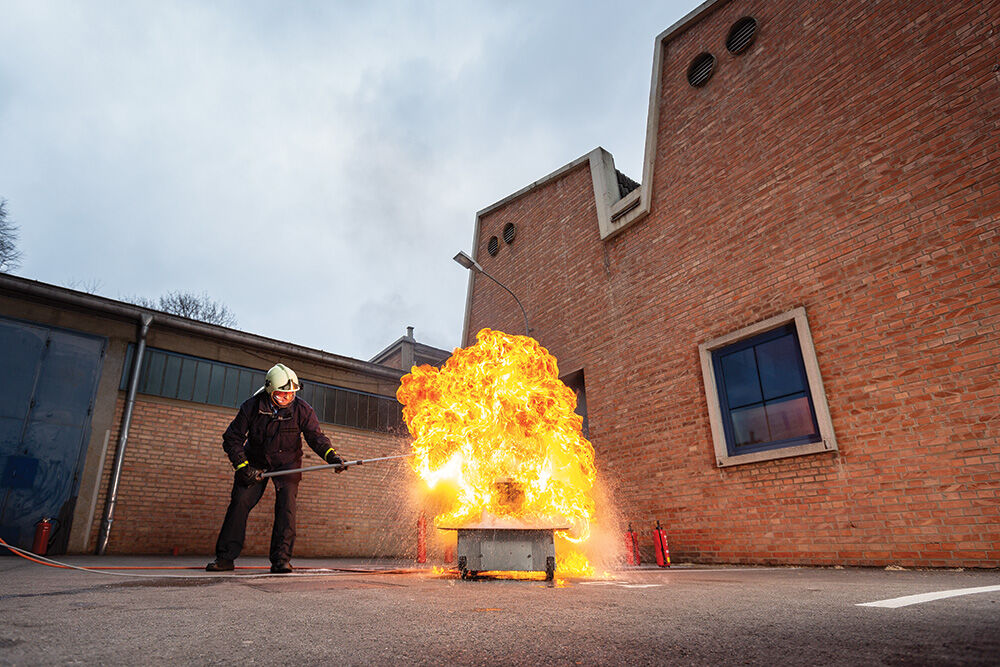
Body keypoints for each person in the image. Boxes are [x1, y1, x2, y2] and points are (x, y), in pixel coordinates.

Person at [206, 363, 344, 574]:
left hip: (287, 463)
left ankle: (281, 560)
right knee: (240, 503)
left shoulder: (303, 410)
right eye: (282, 394)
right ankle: (225, 558)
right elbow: (232, 438)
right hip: (254, 462)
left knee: (286, 509)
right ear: (270, 390)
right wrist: (243, 467)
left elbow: (315, 437)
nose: (287, 398)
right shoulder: (251, 407)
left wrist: (331, 456)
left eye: (291, 394)